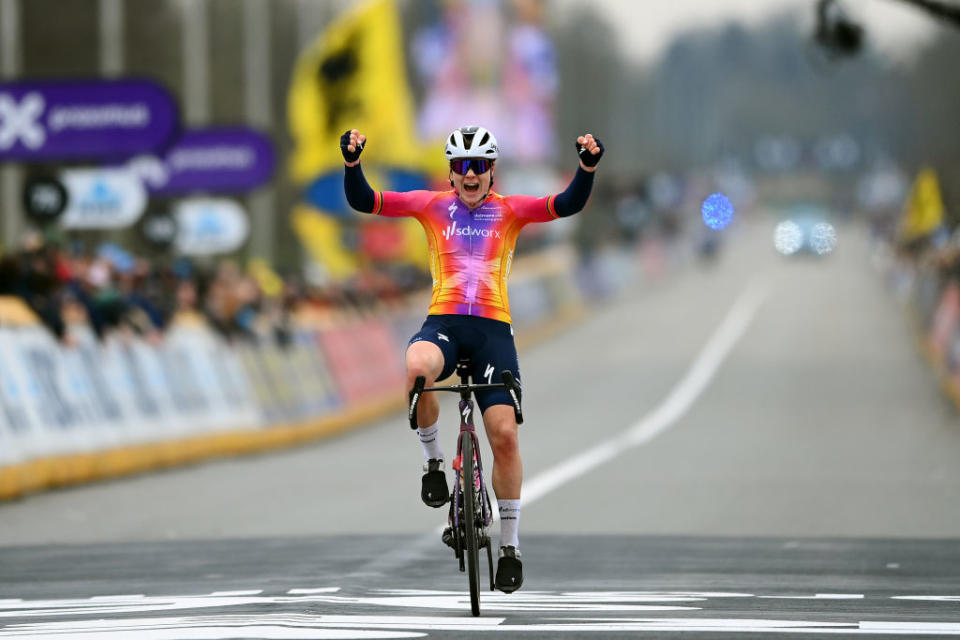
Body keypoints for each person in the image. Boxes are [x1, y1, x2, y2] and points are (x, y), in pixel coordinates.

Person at [341, 125, 603, 593]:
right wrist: (352, 163)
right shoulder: (429, 205)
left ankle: (509, 546)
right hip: (443, 322)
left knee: (503, 436)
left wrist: (586, 168)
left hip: (491, 332)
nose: (470, 175)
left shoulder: (510, 211)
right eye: (461, 166)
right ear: (450, 172)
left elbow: (566, 204)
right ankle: (435, 465)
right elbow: (366, 202)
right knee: (417, 367)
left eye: (478, 166)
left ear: (492, 170)